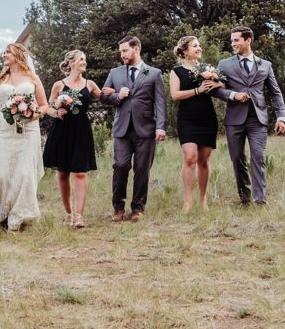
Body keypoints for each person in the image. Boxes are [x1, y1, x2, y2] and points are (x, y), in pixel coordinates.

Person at [212, 26, 285, 205]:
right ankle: (245, 198)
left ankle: (260, 200)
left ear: (248, 40)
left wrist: (281, 117)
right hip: (234, 119)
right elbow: (215, 90)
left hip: (258, 119)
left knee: (258, 158)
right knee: (237, 158)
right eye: (231, 41)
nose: (233, 44)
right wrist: (233, 95)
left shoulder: (265, 65)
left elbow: (275, 93)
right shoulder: (224, 64)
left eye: (236, 40)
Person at [0, 42, 51, 232]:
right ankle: (0, 214)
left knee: (24, 173)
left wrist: (31, 115)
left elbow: (44, 105)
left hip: (28, 131)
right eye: (4, 52)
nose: (4, 54)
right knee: (1, 174)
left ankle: (18, 216)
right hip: (4, 130)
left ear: (18, 55)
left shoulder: (32, 78)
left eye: (8, 52)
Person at [100, 35, 167, 222]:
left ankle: (137, 208)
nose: (122, 55)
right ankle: (118, 207)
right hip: (122, 129)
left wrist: (160, 127)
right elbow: (103, 96)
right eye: (121, 51)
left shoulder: (154, 73)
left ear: (136, 48)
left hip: (145, 129)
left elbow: (161, 102)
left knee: (142, 169)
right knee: (120, 166)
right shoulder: (115, 73)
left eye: (125, 51)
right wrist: (117, 96)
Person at [43, 50, 101, 228]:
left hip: (81, 131)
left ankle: (79, 216)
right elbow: (48, 107)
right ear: (71, 63)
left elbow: (106, 97)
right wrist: (56, 112)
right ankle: (68, 213)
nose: (85, 62)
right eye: (81, 59)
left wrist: (117, 93)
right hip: (62, 131)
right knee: (62, 173)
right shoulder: (58, 85)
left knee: (81, 172)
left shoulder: (90, 84)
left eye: (85, 59)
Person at [169, 36, 223, 212]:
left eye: (199, 45)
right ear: (185, 51)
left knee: (204, 161)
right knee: (190, 158)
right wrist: (197, 90)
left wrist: (214, 80)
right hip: (187, 119)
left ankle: (203, 200)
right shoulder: (176, 71)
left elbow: (223, 83)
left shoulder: (207, 68)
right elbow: (175, 95)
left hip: (207, 117)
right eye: (195, 46)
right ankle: (188, 201)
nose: (199, 48)